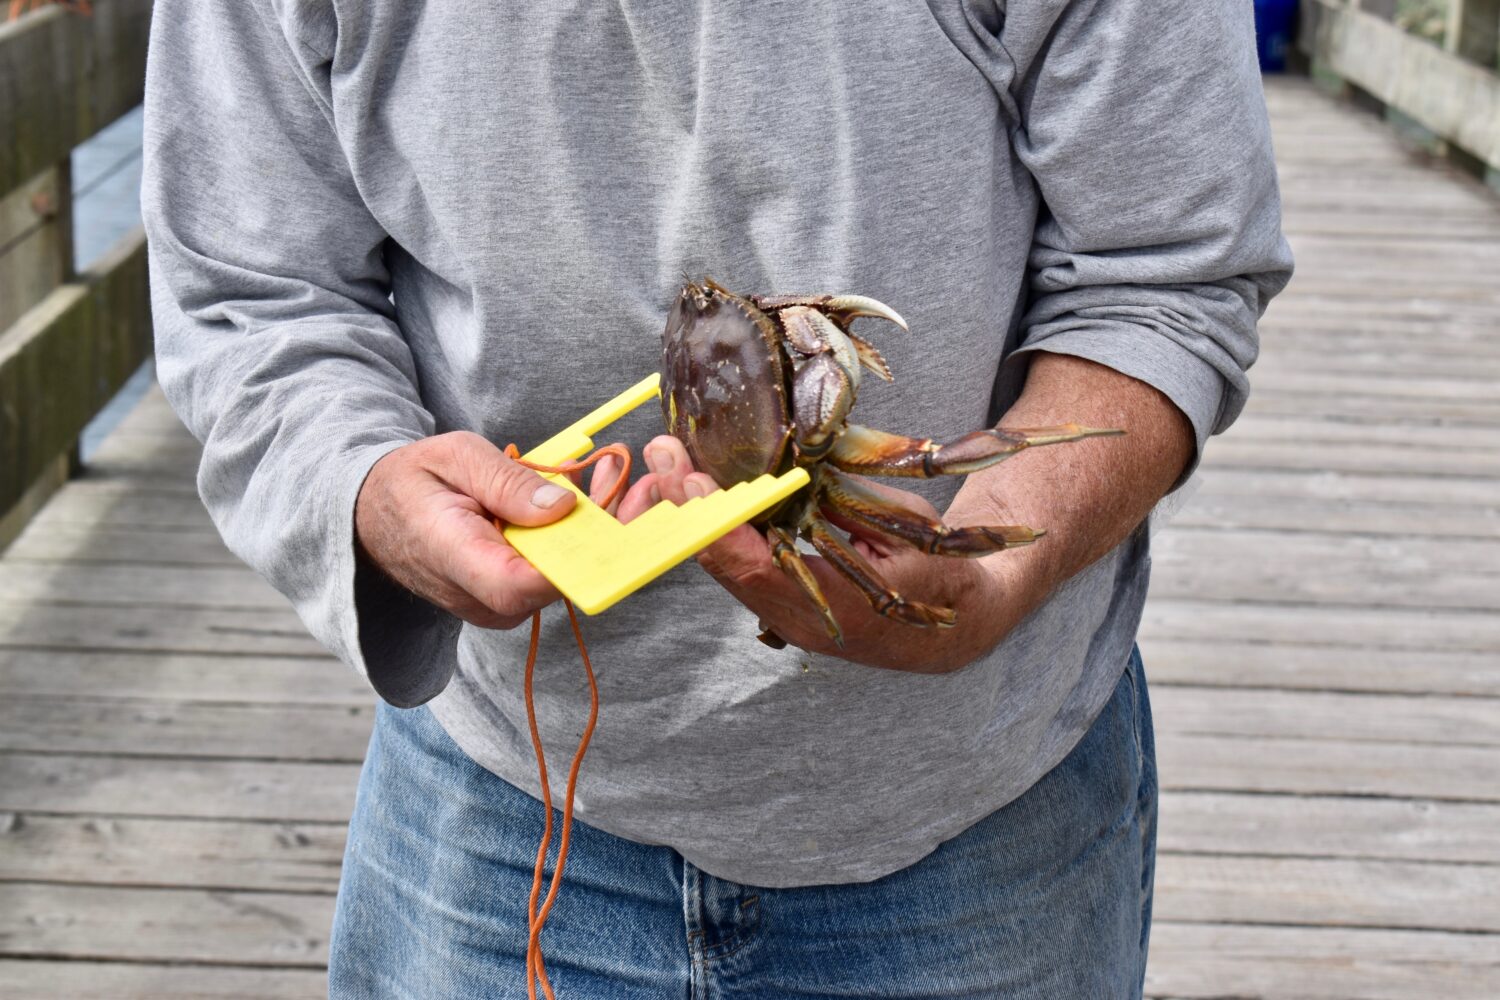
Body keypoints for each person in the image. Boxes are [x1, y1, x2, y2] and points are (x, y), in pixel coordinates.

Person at [142, 1, 1291, 996]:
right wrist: (365, 485)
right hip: (501, 796)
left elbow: (1166, 273)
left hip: (972, 817)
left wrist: (995, 569)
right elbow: (254, 291)